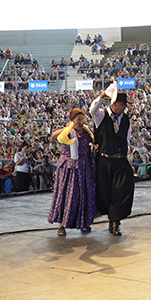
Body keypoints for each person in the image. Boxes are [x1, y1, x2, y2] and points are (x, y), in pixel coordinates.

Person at [90, 85, 135, 236]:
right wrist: (101, 97)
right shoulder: (101, 115)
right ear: (114, 104)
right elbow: (92, 110)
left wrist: (127, 157)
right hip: (104, 161)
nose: (124, 108)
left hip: (120, 160)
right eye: (122, 105)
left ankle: (115, 222)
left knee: (120, 192)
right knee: (104, 192)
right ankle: (105, 217)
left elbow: (127, 139)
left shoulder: (126, 119)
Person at [49, 108, 96, 236]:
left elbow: (93, 142)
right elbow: (53, 137)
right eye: (78, 120)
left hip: (84, 168)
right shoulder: (67, 130)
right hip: (69, 167)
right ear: (72, 120)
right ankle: (62, 225)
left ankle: (84, 223)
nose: (81, 122)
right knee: (66, 195)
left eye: (83, 119)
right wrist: (68, 128)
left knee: (83, 195)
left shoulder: (87, 131)